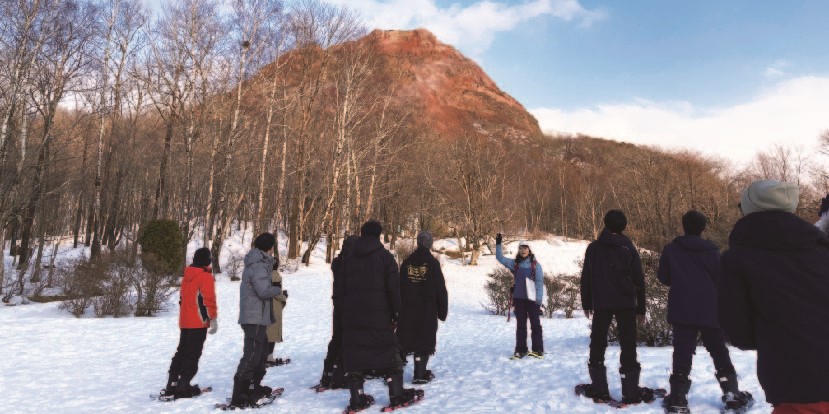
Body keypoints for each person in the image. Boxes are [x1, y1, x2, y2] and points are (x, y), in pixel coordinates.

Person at [720, 180, 829, 413]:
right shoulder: (821, 249)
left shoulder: (737, 258)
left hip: (794, 378)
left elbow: (739, 331)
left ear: (749, 207)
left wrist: (772, 336)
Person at [658, 210, 753, 413]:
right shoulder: (712, 251)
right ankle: (732, 395)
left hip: (682, 308)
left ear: (684, 226)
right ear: (703, 228)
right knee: (718, 349)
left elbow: (664, 277)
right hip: (710, 308)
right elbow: (722, 280)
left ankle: (678, 399)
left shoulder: (671, 249)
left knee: (682, 351)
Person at [341, 220, 423, 412]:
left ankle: (357, 398)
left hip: (352, 316)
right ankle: (396, 395)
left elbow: (341, 290)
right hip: (378, 316)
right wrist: (397, 313)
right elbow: (394, 290)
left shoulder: (349, 259)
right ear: (379, 235)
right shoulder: (385, 258)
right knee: (389, 354)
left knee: (354, 354)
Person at [578, 209, 656, 405]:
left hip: (602, 302)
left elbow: (586, 277)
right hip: (626, 302)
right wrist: (641, 308)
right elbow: (639, 279)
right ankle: (630, 392)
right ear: (624, 226)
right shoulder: (628, 247)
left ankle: (599, 388)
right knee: (628, 344)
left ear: (605, 224)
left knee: (598, 342)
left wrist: (586, 302)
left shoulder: (594, 248)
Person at [230, 232, 283, 408]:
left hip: (259, 317)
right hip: (254, 317)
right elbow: (263, 291)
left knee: (260, 355)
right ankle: (239, 394)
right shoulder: (259, 265)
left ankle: (254, 387)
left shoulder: (261, 263)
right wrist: (276, 289)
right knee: (252, 355)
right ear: (270, 247)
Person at [162, 247, 218, 399]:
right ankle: (183, 386)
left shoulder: (187, 276)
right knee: (192, 354)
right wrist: (212, 319)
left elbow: (183, 299)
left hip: (185, 320)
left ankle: (172, 384)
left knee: (182, 352)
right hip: (198, 322)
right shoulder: (205, 276)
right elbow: (208, 300)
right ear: (207, 260)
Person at [396, 231, 448, 384]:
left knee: (406, 338)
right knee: (424, 338)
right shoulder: (432, 263)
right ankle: (419, 372)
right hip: (426, 308)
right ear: (430, 243)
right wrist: (442, 311)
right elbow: (440, 289)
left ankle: (394, 372)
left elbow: (399, 286)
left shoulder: (407, 262)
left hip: (408, 307)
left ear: (418, 243)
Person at [315, 235, 359, 390]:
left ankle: (328, 373)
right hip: (348, 306)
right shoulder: (351, 264)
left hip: (338, 305)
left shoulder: (338, 262)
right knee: (345, 340)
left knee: (336, 339)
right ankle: (340, 374)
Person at [494, 234, 545, 359]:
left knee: (535, 325)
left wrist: (538, 300)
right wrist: (499, 243)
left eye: (525, 248)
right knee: (521, 325)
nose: (523, 250)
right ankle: (521, 350)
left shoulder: (536, 265)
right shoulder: (515, 264)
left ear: (529, 250)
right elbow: (499, 258)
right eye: (521, 248)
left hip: (532, 299)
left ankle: (538, 350)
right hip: (519, 299)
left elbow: (539, 283)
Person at [265, 258, 288, 367]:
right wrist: (284, 297)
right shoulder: (275, 275)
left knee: (266, 332)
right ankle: (269, 357)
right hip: (274, 306)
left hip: (265, 306)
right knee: (272, 333)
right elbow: (277, 293)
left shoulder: (263, 274)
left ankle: (264, 356)